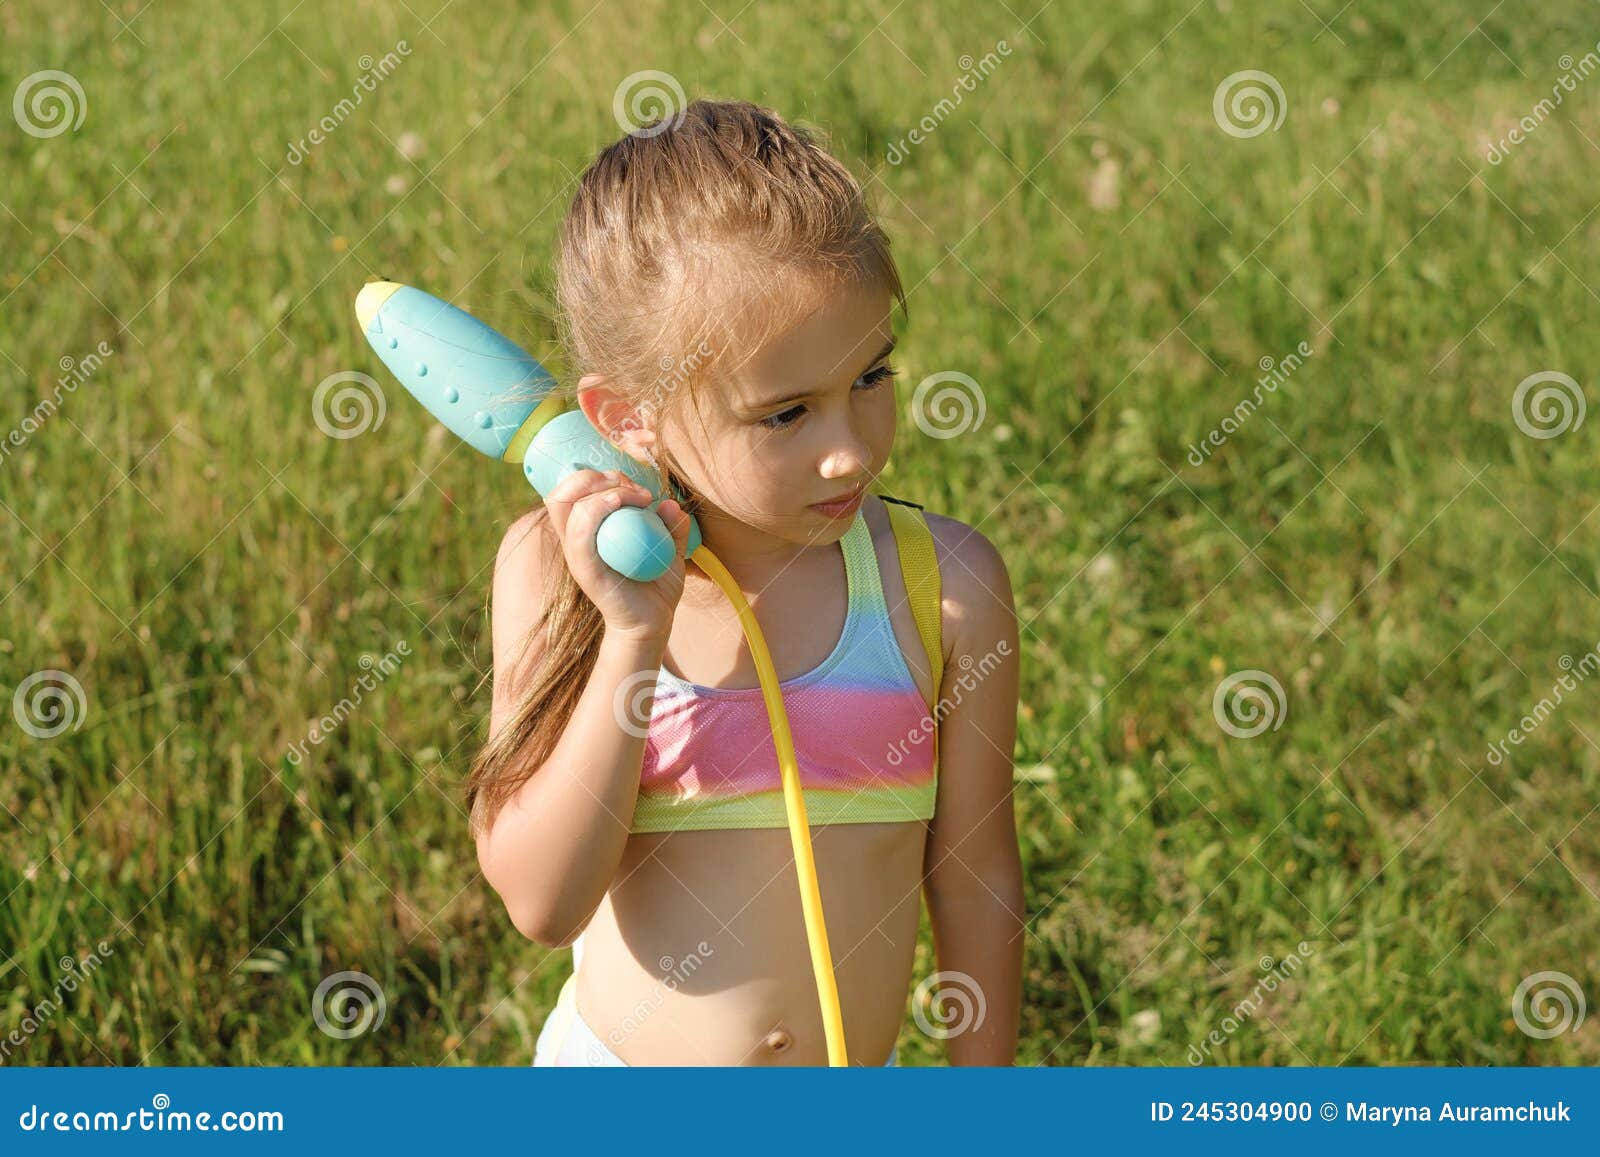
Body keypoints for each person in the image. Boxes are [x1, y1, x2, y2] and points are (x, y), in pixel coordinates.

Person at [467, 98, 1024, 1066]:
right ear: (629, 416)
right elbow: (542, 901)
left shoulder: (944, 585)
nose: (849, 452)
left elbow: (974, 873)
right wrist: (633, 635)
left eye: (871, 377)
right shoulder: (557, 573)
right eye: (784, 415)